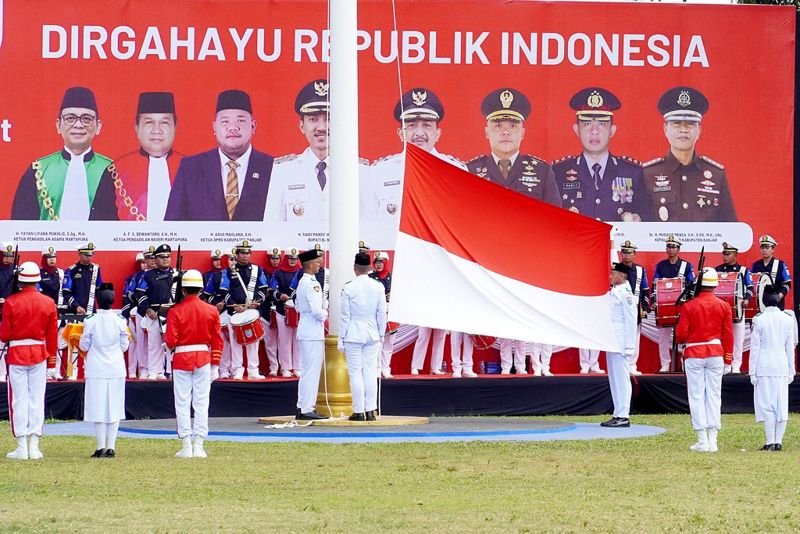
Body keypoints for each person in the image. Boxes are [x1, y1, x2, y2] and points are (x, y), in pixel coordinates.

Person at [11, 86, 117, 221]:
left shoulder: (112, 170)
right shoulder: (37, 170)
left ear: (98, 126)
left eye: (86, 119)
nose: (78, 125)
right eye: (70, 118)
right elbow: (21, 224)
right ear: (58, 125)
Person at [165, 89, 273, 221]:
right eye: (225, 121)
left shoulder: (273, 168)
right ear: (214, 128)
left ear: (253, 126)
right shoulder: (190, 168)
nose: (233, 127)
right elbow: (172, 224)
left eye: (240, 121)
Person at [367, 87, 466, 223]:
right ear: (401, 134)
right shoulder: (379, 172)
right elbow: (368, 226)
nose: (419, 133)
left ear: (438, 134)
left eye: (427, 125)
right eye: (412, 125)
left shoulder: (457, 172)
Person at [553, 87, 652, 221]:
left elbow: (647, 217)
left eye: (602, 123)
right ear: (577, 130)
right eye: (587, 123)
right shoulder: (558, 172)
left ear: (612, 130)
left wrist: (637, 219)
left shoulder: (633, 172)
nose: (594, 131)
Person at [643, 86, 736, 222]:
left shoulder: (716, 175)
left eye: (690, 124)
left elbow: (731, 227)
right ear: (665, 129)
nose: (683, 130)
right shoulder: (648, 174)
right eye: (676, 124)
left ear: (699, 130)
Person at [0, 262, 58, 460]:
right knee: (36, 399)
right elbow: (52, 336)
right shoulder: (48, 303)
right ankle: (34, 446)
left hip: (17, 353)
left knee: (18, 399)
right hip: (39, 353)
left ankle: (21, 446)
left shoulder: (11, 302)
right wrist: (51, 362)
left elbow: (4, 334)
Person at [467, 87, 561, 206]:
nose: (505, 132)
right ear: (487, 132)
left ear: (522, 133)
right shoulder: (470, 172)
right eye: (498, 126)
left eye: (513, 126)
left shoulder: (542, 172)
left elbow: (554, 219)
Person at [165, 269, 224, 458]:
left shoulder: (175, 311)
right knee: (201, 402)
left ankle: (186, 444)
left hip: (182, 358)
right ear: (201, 289)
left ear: (183, 289)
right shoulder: (212, 310)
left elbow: (171, 341)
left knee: (182, 402)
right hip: (203, 358)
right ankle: (199, 444)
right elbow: (217, 340)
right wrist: (215, 364)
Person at [97, 92, 182, 221]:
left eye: (164, 123)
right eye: (149, 123)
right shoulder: (115, 171)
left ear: (175, 128)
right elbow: (99, 228)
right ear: (137, 128)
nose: (156, 130)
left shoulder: (193, 170)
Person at [675, 267, 733, 453]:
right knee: (714, 395)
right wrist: (728, 359)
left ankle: (702, 439)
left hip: (694, 353)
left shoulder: (689, 306)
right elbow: (728, 335)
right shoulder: (724, 305)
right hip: (716, 353)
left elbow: (681, 335)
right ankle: (713, 440)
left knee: (697, 395)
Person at [78, 283, 129, 458]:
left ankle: (100, 447)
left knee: (97, 406)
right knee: (114, 407)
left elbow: (84, 344)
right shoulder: (121, 320)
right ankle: (111, 447)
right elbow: (124, 345)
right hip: (115, 367)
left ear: (97, 301)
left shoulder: (90, 320)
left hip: (96, 368)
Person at [339, 252, 387, 421]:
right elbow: (382, 313)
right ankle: (371, 410)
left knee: (355, 373)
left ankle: (359, 410)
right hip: (372, 332)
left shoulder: (348, 287)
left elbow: (344, 316)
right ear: (369, 268)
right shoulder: (378, 286)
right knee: (370, 372)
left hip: (353, 332)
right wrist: (381, 334)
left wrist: (340, 338)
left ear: (355, 268)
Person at [749, 286, 796, 451]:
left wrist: (752, 371)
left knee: (767, 404)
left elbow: (755, 349)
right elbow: (790, 347)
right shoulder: (787, 319)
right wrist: (792, 369)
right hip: (781, 364)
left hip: (764, 364)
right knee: (781, 404)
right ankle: (778, 441)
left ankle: (770, 442)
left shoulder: (759, 319)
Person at [215, 240, 269, 380]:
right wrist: (234, 305)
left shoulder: (258, 270)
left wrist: (257, 302)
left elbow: (264, 289)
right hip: (235, 312)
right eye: (242, 253)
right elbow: (223, 291)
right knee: (235, 342)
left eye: (247, 253)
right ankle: (237, 370)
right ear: (237, 254)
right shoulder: (228, 271)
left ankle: (253, 370)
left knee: (253, 342)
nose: (245, 256)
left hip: (252, 310)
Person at [601, 263, 638, 428]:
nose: (610, 276)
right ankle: (617, 413)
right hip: (613, 341)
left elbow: (631, 320)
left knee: (622, 379)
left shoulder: (625, 294)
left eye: (613, 273)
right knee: (614, 379)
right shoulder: (614, 291)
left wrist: (630, 345)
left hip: (622, 342)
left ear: (622, 276)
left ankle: (623, 415)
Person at [294, 248, 328, 420]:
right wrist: (325, 312)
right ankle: (307, 408)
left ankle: (302, 406)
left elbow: (297, 306)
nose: (319, 264)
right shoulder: (313, 284)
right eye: (316, 261)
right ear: (309, 265)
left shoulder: (302, 282)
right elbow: (317, 311)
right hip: (313, 330)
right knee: (312, 372)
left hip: (305, 328)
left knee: (307, 370)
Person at [653, 234, 695, 372]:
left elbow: (692, 285)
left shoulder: (686, 266)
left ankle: (684, 361)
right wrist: (654, 301)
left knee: (684, 334)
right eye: (668, 246)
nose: (670, 249)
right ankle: (665, 363)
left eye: (673, 247)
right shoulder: (661, 266)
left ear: (678, 249)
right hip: (665, 307)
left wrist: (688, 302)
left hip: (682, 306)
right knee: (663, 337)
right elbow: (655, 285)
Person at [62, 242, 104, 380]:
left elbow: (99, 290)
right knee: (74, 341)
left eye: (91, 254)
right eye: (86, 254)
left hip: (92, 311)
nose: (89, 257)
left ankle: (89, 371)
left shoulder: (96, 269)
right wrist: (76, 306)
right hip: (75, 311)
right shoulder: (71, 270)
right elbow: (66, 293)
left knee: (92, 342)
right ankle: (72, 371)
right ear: (79, 254)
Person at [134, 244, 175, 379]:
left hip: (172, 313)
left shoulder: (176, 274)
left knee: (172, 344)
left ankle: (171, 370)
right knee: (154, 344)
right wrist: (147, 309)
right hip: (155, 313)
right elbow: (140, 294)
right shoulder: (148, 275)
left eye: (167, 257)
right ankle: (154, 371)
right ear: (156, 259)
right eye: (162, 257)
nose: (165, 259)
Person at [715, 242, 754, 374]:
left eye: (728, 254)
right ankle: (725, 364)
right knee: (723, 338)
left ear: (735, 255)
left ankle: (736, 364)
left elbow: (750, 288)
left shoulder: (743, 270)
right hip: (721, 312)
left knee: (738, 340)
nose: (724, 256)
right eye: (723, 254)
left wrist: (747, 300)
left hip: (738, 311)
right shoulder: (717, 270)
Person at [618, 240, 650, 375]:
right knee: (620, 337)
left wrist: (646, 308)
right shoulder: (616, 268)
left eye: (629, 252)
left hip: (635, 308)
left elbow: (645, 290)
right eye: (624, 252)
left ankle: (632, 365)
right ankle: (621, 366)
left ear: (634, 254)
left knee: (635, 338)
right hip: (619, 308)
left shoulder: (640, 270)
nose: (626, 255)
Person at [270, 248, 302, 377]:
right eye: (290, 258)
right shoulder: (278, 273)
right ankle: (285, 368)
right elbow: (271, 289)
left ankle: (297, 367)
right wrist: (279, 295)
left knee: (298, 339)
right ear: (286, 258)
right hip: (282, 310)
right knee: (284, 340)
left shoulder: (302, 273)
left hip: (298, 311)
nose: (293, 261)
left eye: (295, 258)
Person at [38, 246, 67, 380]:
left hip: (59, 313)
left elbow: (67, 290)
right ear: (44, 259)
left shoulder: (61, 273)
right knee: (44, 343)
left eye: (53, 257)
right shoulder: (39, 273)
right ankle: (44, 370)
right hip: (43, 313)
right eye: (48, 258)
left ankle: (55, 370)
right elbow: (37, 292)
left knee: (58, 344)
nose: (51, 260)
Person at [123, 249, 151, 379]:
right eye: (142, 262)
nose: (145, 264)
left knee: (151, 343)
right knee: (135, 342)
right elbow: (128, 293)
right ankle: (133, 370)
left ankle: (151, 369)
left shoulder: (157, 274)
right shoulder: (134, 277)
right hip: (135, 312)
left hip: (151, 313)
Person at [368, 252, 397, 378]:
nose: (378, 264)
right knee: (377, 343)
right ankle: (377, 369)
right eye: (376, 262)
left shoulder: (394, 278)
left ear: (386, 262)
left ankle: (386, 368)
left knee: (389, 344)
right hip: (376, 314)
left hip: (391, 314)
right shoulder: (370, 277)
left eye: (381, 262)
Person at [751, 235, 791, 311]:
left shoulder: (780, 264)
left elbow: (787, 285)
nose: (764, 250)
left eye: (767, 248)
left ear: (773, 249)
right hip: (759, 305)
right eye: (762, 248)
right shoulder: (756, 265)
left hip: (776, 305)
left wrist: (779, 296)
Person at [260, 247, 282, 377]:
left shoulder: (284, 272)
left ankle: (286, 367)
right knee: (270, 342)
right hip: (267, 311)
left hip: (281, 311)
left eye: (277, 258)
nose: (275, 261)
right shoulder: (263, 273)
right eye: (273, 258)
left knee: (285, 343)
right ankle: (273, 367)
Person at [0, 243, 15, 383]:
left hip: (11, 310)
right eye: (5, 255)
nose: (8, 259)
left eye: (10, 256)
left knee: (8, 344)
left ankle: (6, 372)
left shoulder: (14, 270)